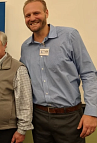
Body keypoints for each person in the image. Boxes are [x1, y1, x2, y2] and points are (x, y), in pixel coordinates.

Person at [21, 0, 97, 143]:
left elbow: (88, 74)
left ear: (46, 13)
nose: (32, 18)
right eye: (27, 15)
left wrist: (92, 112)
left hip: (69, 118)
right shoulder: (25, 47)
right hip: (39, 119)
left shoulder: (70, 36)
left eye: (36, 13)